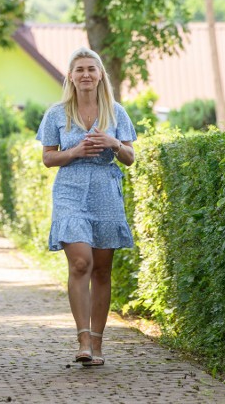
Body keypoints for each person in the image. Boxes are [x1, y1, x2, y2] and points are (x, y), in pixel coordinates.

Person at [35, 47, 137, 367]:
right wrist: (76, 151)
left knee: (103, 270)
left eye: (91, 69)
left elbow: (131, 157)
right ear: (70, 76)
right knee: (81, 263)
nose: (86, 74)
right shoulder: (56, 114)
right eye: (79, 69)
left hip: (106, 191)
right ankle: (82, 338)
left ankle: (97, 342)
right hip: (70, 190)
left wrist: (114, 144)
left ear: (100, 74)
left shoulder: (116, 112)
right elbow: (48, 157)